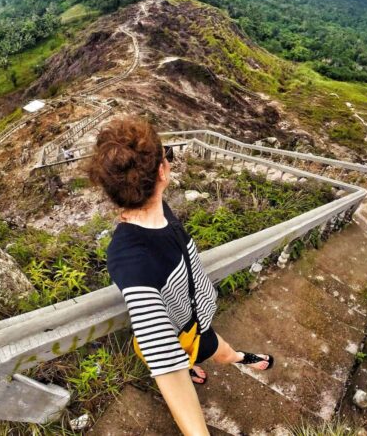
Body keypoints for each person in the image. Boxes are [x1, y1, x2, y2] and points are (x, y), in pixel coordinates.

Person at [87, 115, 274, 435]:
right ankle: (244, 358)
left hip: (191, 320)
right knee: (223, 354)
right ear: (162, 170)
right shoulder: (128, 257)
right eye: (167, 156)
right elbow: (164, 363)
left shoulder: (159, 211)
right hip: (185, 331)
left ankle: (193, 366)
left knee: (188, 362)